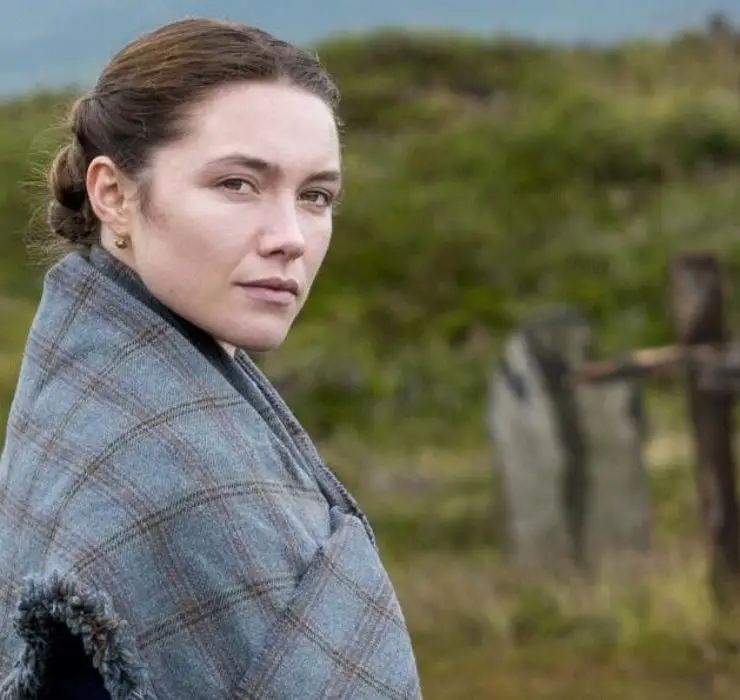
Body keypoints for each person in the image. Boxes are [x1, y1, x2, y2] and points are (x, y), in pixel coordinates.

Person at [0, 17, 422, 700]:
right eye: (237, 184)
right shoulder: (148, 458)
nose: (290, 237)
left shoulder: (87, 387)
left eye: (316, 196)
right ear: (114, 195)